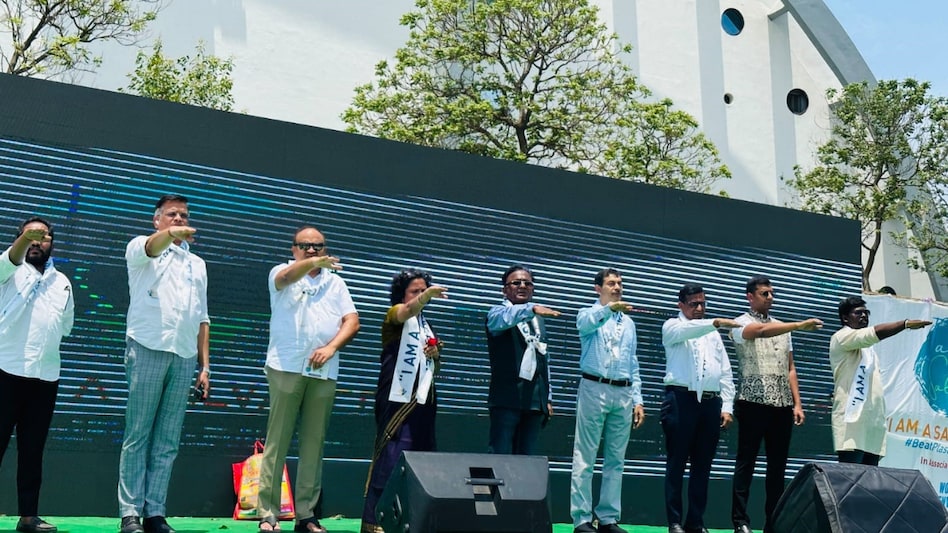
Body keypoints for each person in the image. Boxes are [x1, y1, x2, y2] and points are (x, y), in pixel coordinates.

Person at [256, 225, 360, 533]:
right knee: (278, 441)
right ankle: (268, 513)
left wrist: (330, 347)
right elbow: (285, 279)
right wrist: (312, 264)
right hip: (286, 365)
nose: (313, 250)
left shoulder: (336, 283)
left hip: (322, 371)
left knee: (314, 443)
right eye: (306, 246)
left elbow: (352, 321)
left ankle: (306, 515)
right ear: (294, 249)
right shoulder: (283, 272)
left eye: (318, 246)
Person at [118, 195, 210, 533]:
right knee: (138, 434)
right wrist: (172, 234)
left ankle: (155, 512)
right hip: (146, 347)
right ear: (157, 220)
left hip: (184, 354)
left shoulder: (197, 264)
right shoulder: (141, 248)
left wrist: (205, 366)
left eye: (184, 215)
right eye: (172, 214)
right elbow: (154, 247)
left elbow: (203, 318)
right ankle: (130, 513)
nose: (179, 219)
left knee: (168, 440)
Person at [729, 275, 823, 533]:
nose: (770, 298)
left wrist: (798, 403)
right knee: (746, 462)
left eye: (771, 293)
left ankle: (773, 523)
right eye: (764, 294)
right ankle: (740, 521)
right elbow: (757, 332)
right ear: (750, 296)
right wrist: (798, 325)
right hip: (752, 401)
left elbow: (790, 367)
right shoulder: (739, 323)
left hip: (781, 404)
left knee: (777, 467)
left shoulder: (783, 327)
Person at [0, 217, 74, 533]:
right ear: (19, 239)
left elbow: (66, 326)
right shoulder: (7, 271)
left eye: (42, 236)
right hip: (6, 370)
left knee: (33, 450)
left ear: (51, 242)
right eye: (28, 236)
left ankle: (28, 516)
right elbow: (11, 257)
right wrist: (22, 241)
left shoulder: (63, 283)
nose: (35, 241)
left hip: (45, 377)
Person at [360, 269, 447, 533]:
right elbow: (405, 311)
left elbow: (434, 368)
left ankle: (415, 518)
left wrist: (435, 353)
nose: (421, 296)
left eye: (424, 291)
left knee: (422, 456)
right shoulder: (395, 315)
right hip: (397, 398)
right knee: (392, 454)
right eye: (415, 291)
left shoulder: (425, 325)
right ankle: (375, 520)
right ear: (402, 294)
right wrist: (425, 297)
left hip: (424, 401)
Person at [570, 269, 645, 533]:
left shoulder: (629, 323)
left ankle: (608, 517)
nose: (617, 287)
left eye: (620, 283)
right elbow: (585, 324)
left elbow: (632, 361)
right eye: (611, 283)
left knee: (616, 458)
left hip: (622, 391)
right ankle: (581, 518)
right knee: (585, 456)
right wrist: (609, 309)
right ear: (597, 288)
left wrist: (638, 398)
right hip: (594, 386)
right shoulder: (588, 314)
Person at [660, 283, 738, 533]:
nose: (699, 308)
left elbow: (724, 370)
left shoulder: (712, 332)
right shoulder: (672, 326)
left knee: (703, 465)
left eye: (703, 303)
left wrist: (727, 405)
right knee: (677, 462)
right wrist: (714, 322)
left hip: (710, 403)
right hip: (681, 400)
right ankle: (674, 521)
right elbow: (686, 332)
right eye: (694, 304)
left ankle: (696, 521)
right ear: (680, 304)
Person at [830, 296, 931, 466]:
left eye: (866, 313)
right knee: (850, 480)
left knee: (870, 483)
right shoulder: (842, 337)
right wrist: (904, 324)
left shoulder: (868, 350)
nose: (864, 316)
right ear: (845, 318)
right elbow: (873, 333)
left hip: (871, 423)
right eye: (858, 313)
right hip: (852, 422)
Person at [485, 265, 559, 455]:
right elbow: (507, 318)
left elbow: (544, 359)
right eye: (516, 283)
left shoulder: (538, 319)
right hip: (507, 399)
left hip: (534, 402)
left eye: (528, 283)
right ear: (504, 290)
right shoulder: (497, 313)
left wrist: (547, 397)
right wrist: (531, 308)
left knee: (527, 460)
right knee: (500, 457)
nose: (522, 286)